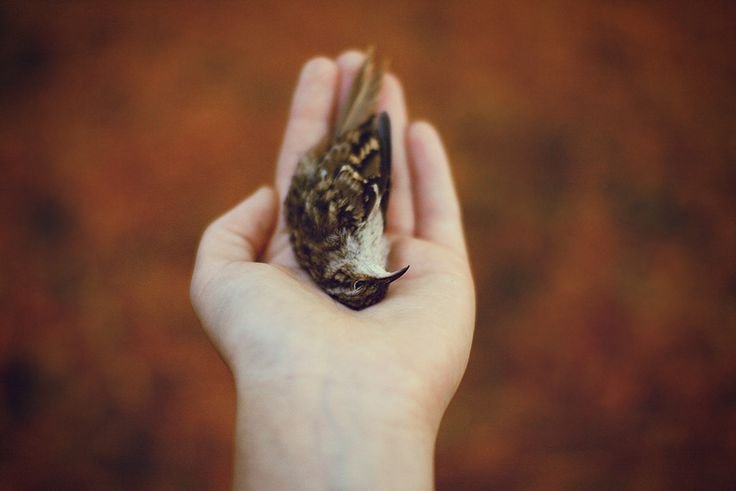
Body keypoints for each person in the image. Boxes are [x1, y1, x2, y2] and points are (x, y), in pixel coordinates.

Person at [190, 50, 476, 490]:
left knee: (365, 106)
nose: (380, 270)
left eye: (364, 279)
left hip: (340, 164)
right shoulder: (346, 241)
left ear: (343, 275)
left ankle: (369, 76)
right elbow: (376, 171)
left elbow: (371, 165)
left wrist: (367, 142)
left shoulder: (352, 222)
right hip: (327, 172)